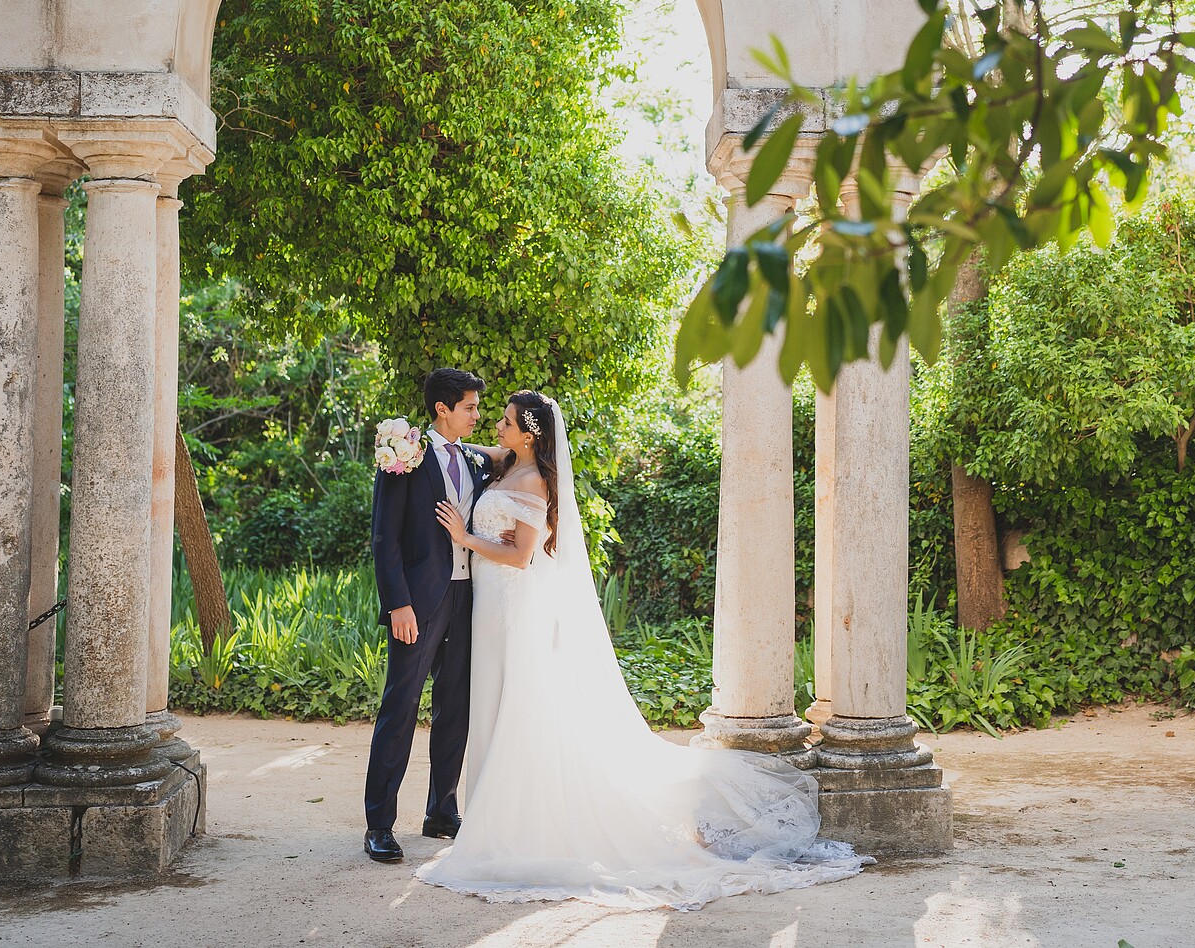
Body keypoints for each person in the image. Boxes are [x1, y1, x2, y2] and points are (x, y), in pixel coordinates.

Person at [416, 389, 868, 909]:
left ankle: (516, 826)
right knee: (492, 705)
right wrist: (419, 446)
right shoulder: (504, 463)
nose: (496, 425)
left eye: (506, 420)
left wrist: (465, 537)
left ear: (530, 433)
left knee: (519, 707)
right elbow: (464, 451)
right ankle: (490, 817)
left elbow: (520, 556)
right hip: (490, 611)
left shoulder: (537, 481)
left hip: (515, 608)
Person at [362, 367, 501, 863]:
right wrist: (397, 602)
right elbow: (385, 537)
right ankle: (379, 823)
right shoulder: (403, 456)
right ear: (442, 408)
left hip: (470, 599)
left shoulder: (474, 459)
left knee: (455, 708)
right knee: (400, 708)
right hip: (418, 603)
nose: (477, 415)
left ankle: (441, 811)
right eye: (469, 407)